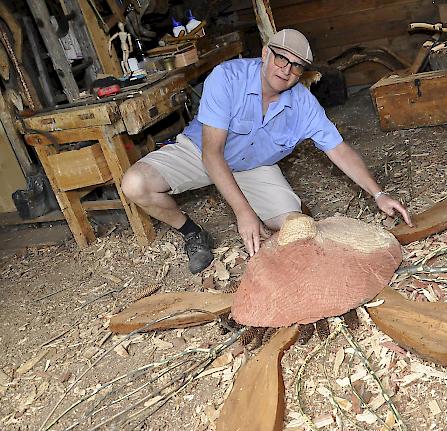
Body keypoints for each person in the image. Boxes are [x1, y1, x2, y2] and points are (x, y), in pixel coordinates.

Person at [121, 29, 412, 274]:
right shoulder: (226, 79)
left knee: (296, 227)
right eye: (281, 58)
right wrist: (244, 212)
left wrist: (378, 193)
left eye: (296, 66)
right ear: (265, 54)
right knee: (135, 184)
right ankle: (191, 232)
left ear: (303, 72)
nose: (285, 69)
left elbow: (339, 150)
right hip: (202, 152)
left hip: (255, 166)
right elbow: (212, 154)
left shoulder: (303, 104)